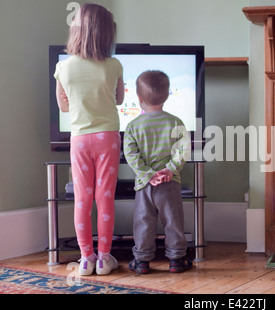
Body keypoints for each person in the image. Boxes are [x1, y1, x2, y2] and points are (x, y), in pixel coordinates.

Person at [54, 3, 124, 276]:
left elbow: (64, 107)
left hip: (80, 139)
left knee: (82, 198)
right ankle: (105, 257)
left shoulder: (63, 68)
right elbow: (118, 99)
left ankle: (86, 258)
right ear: (107, 34)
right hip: (108, 137)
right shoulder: (114, 65)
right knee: (105, 197)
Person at [124, 70, 192, 274]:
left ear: (138, 97)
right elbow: (183, 149)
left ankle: (142, 262)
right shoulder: (175, 122)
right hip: (170, 183)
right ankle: (176, 260)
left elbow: (130, 153)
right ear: (167, 94)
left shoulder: (132, 126)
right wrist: (170, 170)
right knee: (173, 221)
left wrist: (147, 174)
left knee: (144, 222)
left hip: (145, 185)